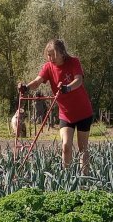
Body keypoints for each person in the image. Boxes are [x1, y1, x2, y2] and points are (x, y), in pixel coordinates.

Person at [19, 39, 94, 175]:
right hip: (66, 114)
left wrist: (67, 88)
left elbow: (78, 80)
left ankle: (85, 178)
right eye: (48, 55)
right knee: (66, 145)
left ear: (62, 53)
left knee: (83, 148)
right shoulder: (48, 67)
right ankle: (66, 178)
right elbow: (37, 81)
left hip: (83, 112)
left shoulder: (73, 62)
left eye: (53, 54)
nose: (50, 58)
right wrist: (26, 87)